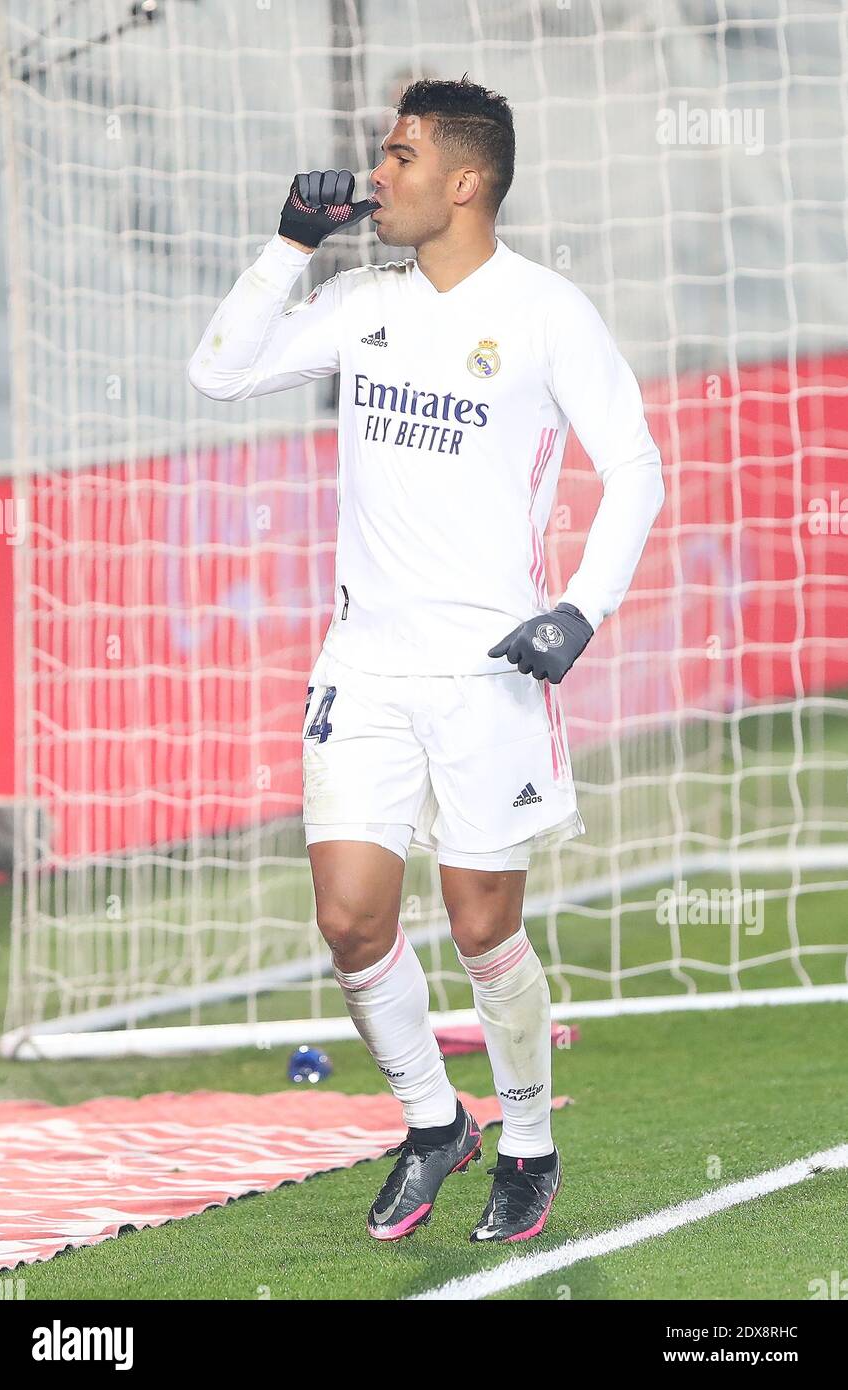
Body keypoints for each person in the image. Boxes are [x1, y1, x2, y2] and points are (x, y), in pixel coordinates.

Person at [188, 76, 664, 1244]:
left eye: (397, 156)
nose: (374, 175)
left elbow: (637, 467)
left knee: (481, 926)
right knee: (351, 921)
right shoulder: (359, 298)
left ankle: (530, 1142)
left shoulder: (547, 310)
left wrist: (578, 609)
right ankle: (429, 1120)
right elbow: (219, 372)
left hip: (491, 674)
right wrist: (286, 245)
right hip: (363, 667)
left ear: (464, 180)